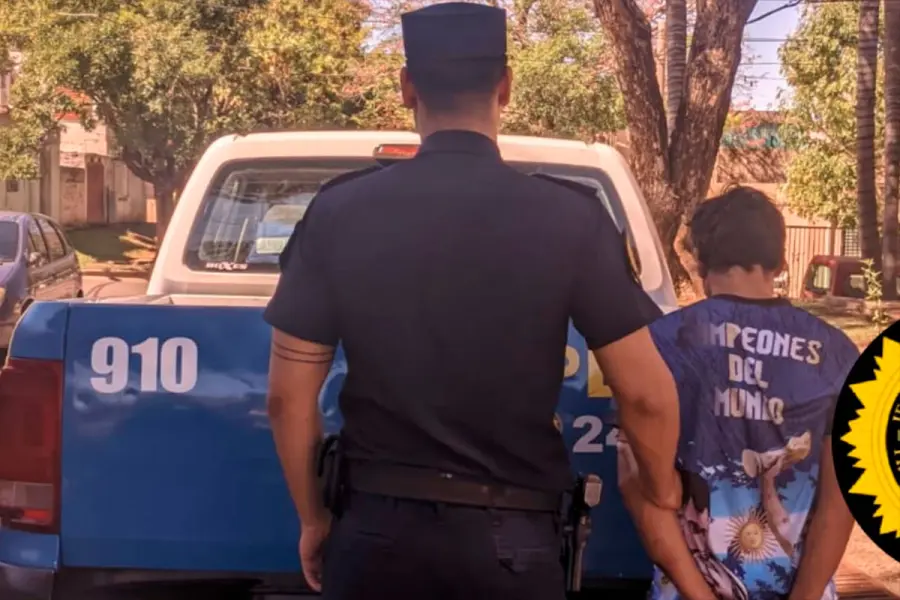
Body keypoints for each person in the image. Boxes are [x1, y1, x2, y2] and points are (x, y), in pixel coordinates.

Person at [263, 3, 681, 599]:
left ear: (408, 88)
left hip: (375, 538)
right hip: (513, 548)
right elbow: (645, 396)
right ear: (505, 86)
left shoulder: (338, 211)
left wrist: (314, 517)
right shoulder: (571, 219)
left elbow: (286, 399)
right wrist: (664, 491)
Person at [617, 186, 859, 600]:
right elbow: (842, 503)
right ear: (781, 261)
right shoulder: (836, 354)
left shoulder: (658, 346)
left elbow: (638, 487)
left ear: (700, 262)